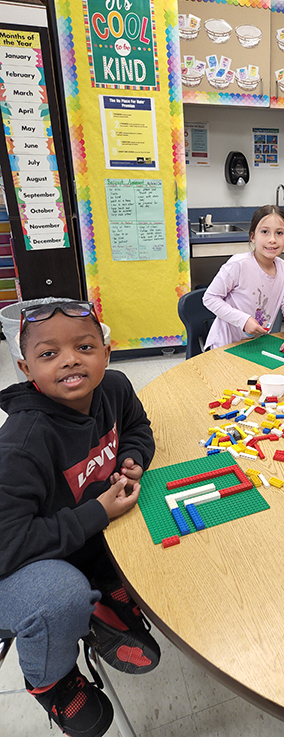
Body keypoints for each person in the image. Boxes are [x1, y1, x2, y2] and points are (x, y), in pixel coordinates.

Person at [0, 300, 159, 737]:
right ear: (25, 368)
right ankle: (50, 679)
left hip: (71, 536)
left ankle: (104, 594)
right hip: (16, 566)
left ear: (106, 353)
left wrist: (131, 458)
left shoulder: (115, 389)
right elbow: (7, 546)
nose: (70, 359)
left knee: (142, 513)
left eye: (84, 346)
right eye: (48, 354)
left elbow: (137, 429)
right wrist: (97, 512)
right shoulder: (21, 444)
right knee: (59, 594)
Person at [203, 204, 284, 351]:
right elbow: (209, 298)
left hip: (256, 344)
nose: (272, 240)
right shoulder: (239, 264)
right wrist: (244, 321)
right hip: (224, 345)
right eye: (265, 232)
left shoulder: (281, 267)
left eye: (279, 233)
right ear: (252, 236)